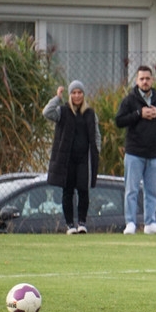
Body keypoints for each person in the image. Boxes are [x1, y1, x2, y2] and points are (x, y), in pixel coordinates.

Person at [115, 66, 156, 235]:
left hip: (154, 153)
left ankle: (150, 223)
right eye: (141, 79)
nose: (145, 82)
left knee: (152, 191)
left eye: (147, 78)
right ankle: (130, 223)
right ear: (137, 81)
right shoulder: (129, 100)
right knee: (131, 190)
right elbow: (119, 121)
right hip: (134, 153)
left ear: (152, 80)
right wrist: (138, 114)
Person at [43, 80, 102, 235]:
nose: (77, 96)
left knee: (83, 191)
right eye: (74, 93)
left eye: (79, 92)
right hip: (67, 159)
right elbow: (47, 112)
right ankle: (70, 225)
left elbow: (96, 135)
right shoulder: (62, 112)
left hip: (84, 159)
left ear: (83, 94)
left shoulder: (90, 113)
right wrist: (57, 98)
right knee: (67, 192)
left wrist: (96, 151)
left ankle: (82, 223)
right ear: (70, 95)